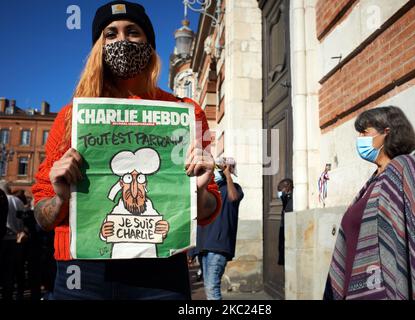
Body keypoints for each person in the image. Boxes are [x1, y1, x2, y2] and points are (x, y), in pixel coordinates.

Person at [31, 1, 221, 300]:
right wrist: (59, 198)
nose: (122, 40)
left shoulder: (187, 112)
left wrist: (198, 192)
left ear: (149, 43)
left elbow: (210, 211)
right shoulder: (70, 118)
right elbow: (43, 217)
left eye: (133, 31)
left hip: (161, 267)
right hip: (81, 271)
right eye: (111, 33)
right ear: (98, 47)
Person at [324, 106, 415, 300]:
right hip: (355, 285)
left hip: (388, 288)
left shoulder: (408, 169)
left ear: (386, 133)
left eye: (364, 132)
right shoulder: (372, 182)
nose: (359, 139)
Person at [194, 157, 244, 300]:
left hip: (218, 247)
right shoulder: (207, 190)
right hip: (203, 246)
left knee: (212, 288)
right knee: (208, 287)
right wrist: (192, 250)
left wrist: (228, 175)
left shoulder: (235, 189)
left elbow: (233, 198)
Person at [0, 181, 27, 300]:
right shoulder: (18, 201)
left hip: (3, 239)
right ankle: (9, 295)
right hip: (16, 240)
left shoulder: (3, 199)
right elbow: (24, 221)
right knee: (11, 271)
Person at [277, 178, 293, 266]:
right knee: (281, 247)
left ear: (287, 188)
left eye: (281, 190)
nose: (279, 193)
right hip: (283, 225)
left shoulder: (292, 198)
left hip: (288, 227)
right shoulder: (285, 198)